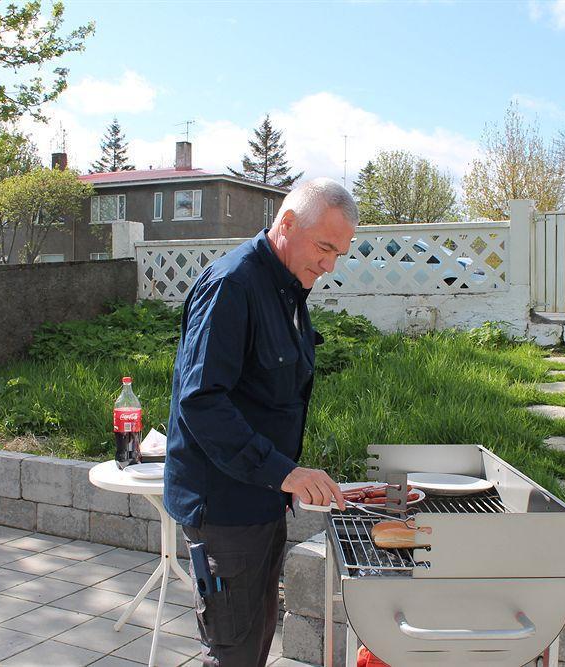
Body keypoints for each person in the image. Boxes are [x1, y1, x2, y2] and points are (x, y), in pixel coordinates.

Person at [164, 177, 356, 666]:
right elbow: (201, 400)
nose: (331, 264)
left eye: (341, 253)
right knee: (232, 651)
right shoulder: (234, 284)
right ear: (287, 223)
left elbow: (264, 397)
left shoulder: (287, 288)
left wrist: (283, 478)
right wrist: (286, 473)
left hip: (262, 495)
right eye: (325, 247)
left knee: (254, 642)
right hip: (225, 506)